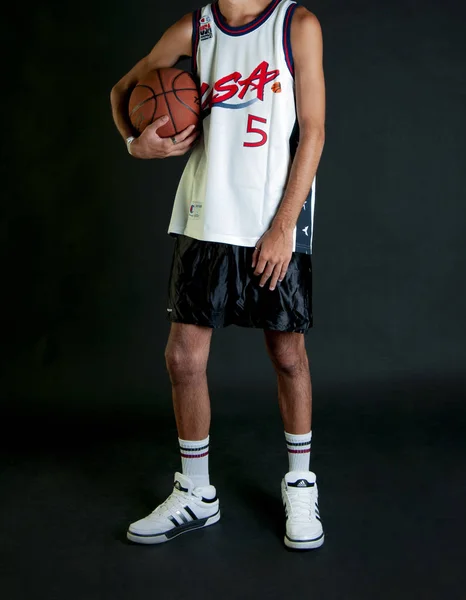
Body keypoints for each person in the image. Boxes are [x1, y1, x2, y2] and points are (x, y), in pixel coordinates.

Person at [110, 0, 325, 550]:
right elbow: (121, 92)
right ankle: (196, 493)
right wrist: (137, 143)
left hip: (271, 217)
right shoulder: (195, 27)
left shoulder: (295, 25)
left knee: (287, 354)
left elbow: (315, 132)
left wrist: (283, 226)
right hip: (207, 211)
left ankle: (301, 481)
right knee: (182, 357)